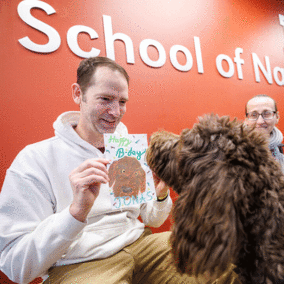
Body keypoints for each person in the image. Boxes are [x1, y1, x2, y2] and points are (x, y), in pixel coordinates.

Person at [0, 57, 202, 284]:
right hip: (79, 264)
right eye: (105, 99)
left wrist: (160, 193)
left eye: (122, 101)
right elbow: (16, 267)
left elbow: (151, 219)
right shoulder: (34, 159)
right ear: (78, 94)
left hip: (140, 244)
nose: (115, 112)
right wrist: (75, 212)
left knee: (216, 261)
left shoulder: (128, 149)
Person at [245, 94, 284, 173]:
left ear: (277, 117)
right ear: (246, 119)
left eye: (267, 114)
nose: (260, 121)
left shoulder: (281, 158)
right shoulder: (231, 153)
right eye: (253, 115)